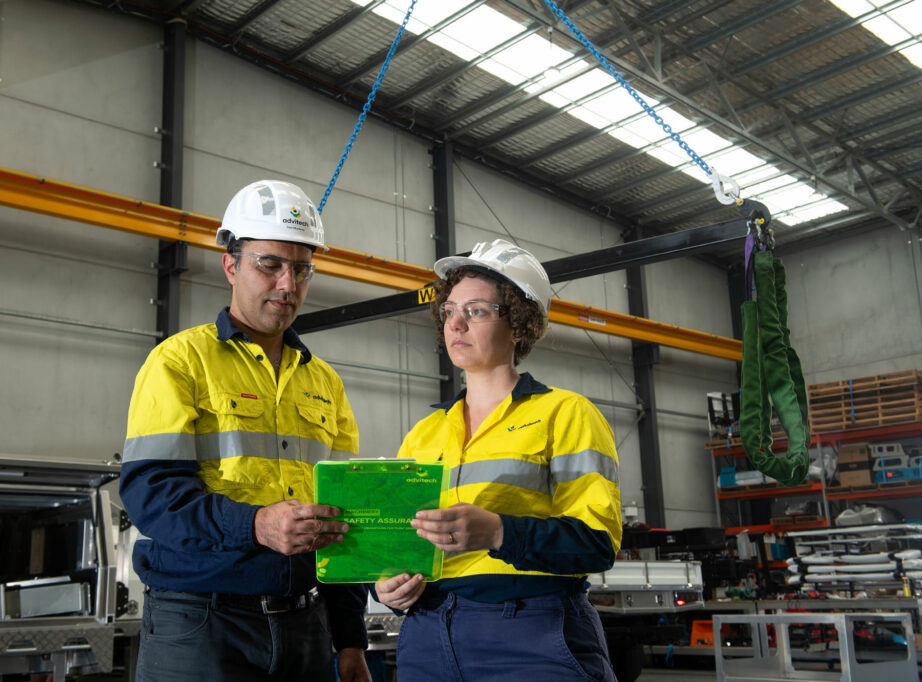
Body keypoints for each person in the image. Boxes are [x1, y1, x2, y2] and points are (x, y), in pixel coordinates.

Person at [120, 180, 371, 682]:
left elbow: (345, 520)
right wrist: (255, 524)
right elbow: (151, 495)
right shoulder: (179, 362)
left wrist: (350, 639)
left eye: (301, 270)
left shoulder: (325, 382)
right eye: (270, 265)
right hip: (199, 624)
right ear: (231, 264)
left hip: (307, 626)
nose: (287, 284)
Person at [375, 239, 622, 681]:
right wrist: (387, 585)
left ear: (520, 325)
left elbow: (596, 542)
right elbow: (399, 541)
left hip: (530, 631)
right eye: (449, 311)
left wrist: (498, 531)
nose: (456, 324)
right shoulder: (422, 434)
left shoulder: (565, 414)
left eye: (476, 311)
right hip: (426, 634)